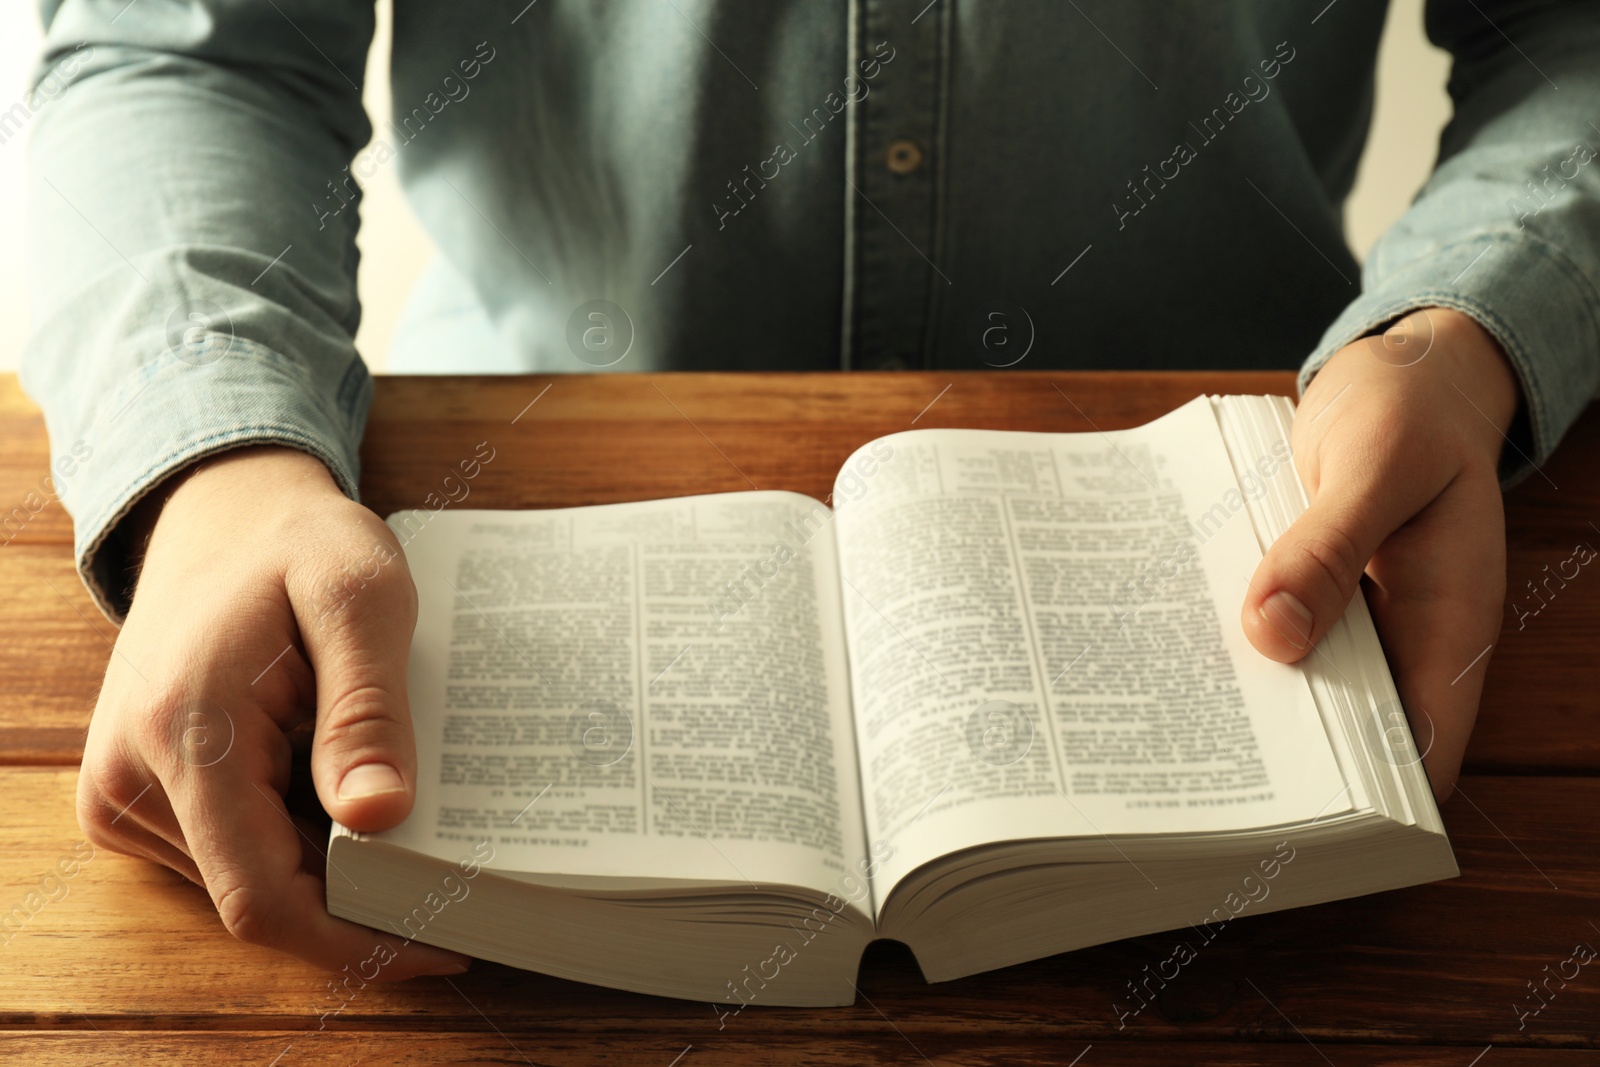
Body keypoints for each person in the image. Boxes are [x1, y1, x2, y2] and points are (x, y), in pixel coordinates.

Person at [20, 0, 1599, 980]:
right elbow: (182, 44)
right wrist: (219, 461)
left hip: (1270, 494)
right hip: (476, 489)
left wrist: (1469, 333)